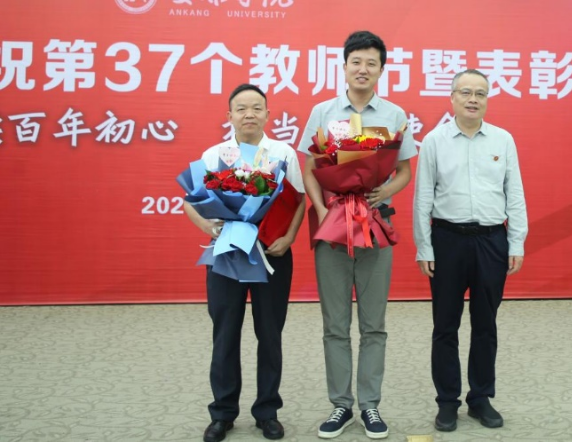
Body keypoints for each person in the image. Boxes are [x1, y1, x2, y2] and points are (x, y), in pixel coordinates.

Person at [296, 31, 417, 440]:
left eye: (371, 63)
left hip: (375, 228)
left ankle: (370, 405)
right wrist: (321, 208)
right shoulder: (322, 112)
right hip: (333, 229)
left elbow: (404, 170)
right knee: (334, 322)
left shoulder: (395, 115)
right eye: (356, 62)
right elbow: (310, 168)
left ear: (381, 69)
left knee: (373, 324)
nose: (363, 69)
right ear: (344, 66)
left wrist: (385, 190)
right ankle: (340, 405)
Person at [184, 83, 306, 442]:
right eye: (241, 109)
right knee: (225, 333)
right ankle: (222, 413)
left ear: (268, 114)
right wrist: (209, 227)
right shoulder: (214, 155)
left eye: (256, 108)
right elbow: (190, 200)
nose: (249, 114)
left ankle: (267, 412)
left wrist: (290, 237)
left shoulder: (282, 153)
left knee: (270, 333)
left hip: (272, 252)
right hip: (226, 253)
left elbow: (299, 200)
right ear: (229, 116)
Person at [413, 69, 528, 432]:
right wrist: (424, 247)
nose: (473, 99)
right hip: (447, 240)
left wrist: (516, 241)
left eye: (480, 93)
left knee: (485, 323)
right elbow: (423, 198)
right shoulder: (434, 141)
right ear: (452, 98)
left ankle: (480, 398)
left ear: (487, 99)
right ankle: (447, 402)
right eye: (465, 92)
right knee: (445, 325)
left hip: (492, 241)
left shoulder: (503, 140)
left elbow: (515, 193)